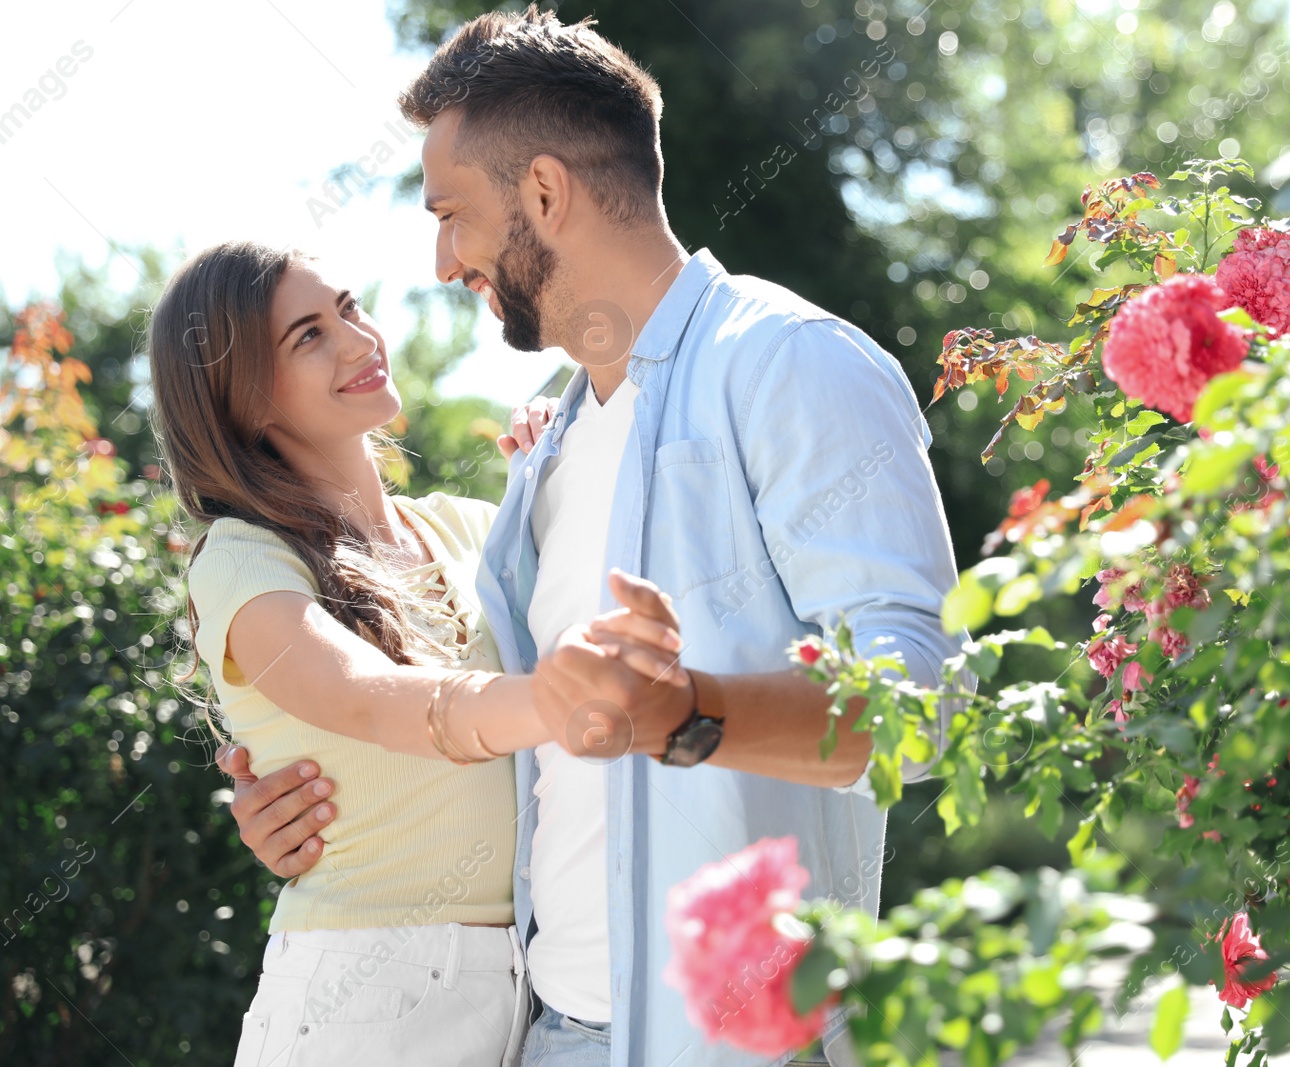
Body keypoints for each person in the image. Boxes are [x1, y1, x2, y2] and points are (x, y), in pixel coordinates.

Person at [223, 9, 969, 1066]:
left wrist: (691, 715)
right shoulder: (548, 453)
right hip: (548, 1034)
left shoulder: (788, 365)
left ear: (542, 192)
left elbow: (924, 704)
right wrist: (302, 794)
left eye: (451, 214)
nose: (442, 262)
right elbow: (490, 712)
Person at [150, 241, 686, 1067]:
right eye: (308, 337)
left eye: (350, 308)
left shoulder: (470, 527)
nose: (360, 342)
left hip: (525, 990)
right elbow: (366, 698)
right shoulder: (243, 557)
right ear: (243, 401)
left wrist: (557, 459)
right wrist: (556, 697)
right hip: (359, 998)